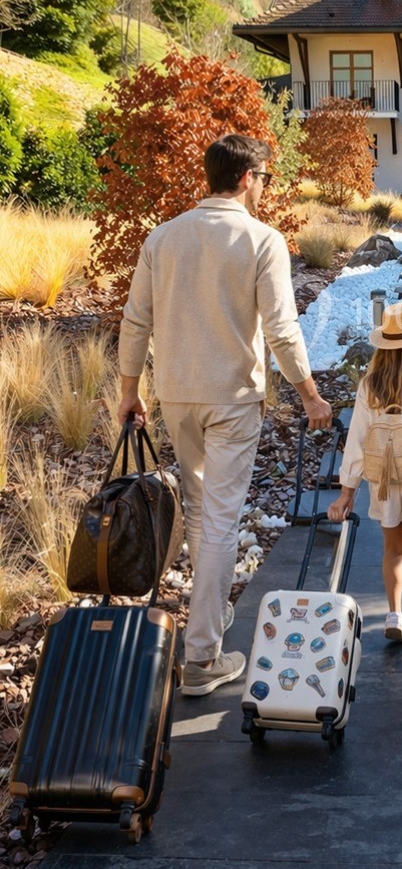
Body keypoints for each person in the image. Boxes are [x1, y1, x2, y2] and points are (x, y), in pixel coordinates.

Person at [118, 134, 333, 696]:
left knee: (199, 512)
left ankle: (207, 619)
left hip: (176, 394)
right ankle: (202, 655)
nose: (265, 187)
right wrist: (309, 394)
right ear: (246, 178)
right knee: (219, 520)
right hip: (232, 399)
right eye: (264, 177)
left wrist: (128, 390)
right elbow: (282, 331)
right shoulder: (262, 240)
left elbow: (135, 322)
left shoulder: (162, 238)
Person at [328, 301, 402, 665]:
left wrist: (346, 491)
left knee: (393, 550)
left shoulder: (369, 386)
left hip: (382, 481)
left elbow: (357, 441)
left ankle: (394, 615)